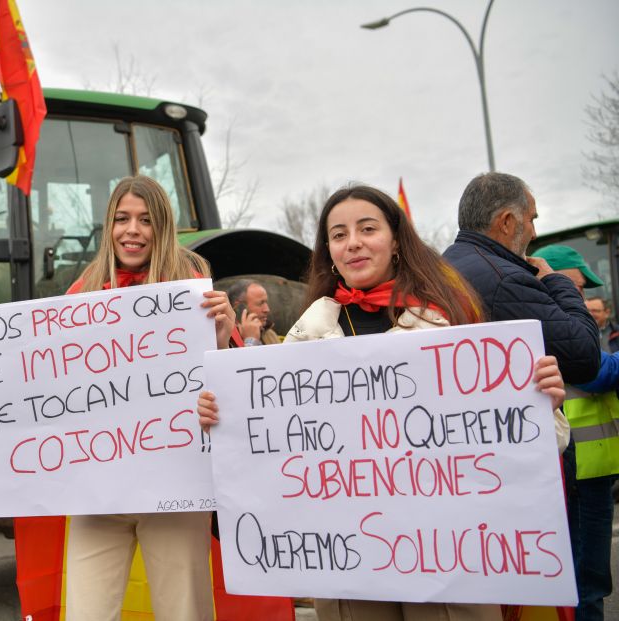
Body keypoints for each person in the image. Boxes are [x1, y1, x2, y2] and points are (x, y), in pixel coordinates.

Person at [199, 184, 569, 621]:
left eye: (367, 228)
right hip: (348, 561)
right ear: (329, 252)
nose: (352, 242)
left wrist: (541, 399)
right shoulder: (304, 336)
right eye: (338, 235)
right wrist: (222, 418)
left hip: (446, 557)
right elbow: (269, 453)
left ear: (396, 241)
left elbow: (535, 441)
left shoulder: (452, 320)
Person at [0, 175, 234, 621]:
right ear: (108, 226)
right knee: (85, 612)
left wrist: (221, 337)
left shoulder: (192, 284)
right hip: (98, 494)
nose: (132, 230)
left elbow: (230, 390)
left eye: (145, 220)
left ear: (162, 227)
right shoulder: (83, 293)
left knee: (185, 612)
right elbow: (41, 379)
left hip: (175, 489)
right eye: (122, 219)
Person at [443, 172, 600, 385]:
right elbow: (585, 358)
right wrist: (555, 280)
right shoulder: (506, 281)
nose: (533, 233)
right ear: (507, 222)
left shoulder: (442, 267)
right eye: (531, 219)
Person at [533, 244, 618, 621]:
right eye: (578, 287)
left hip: (591, 469)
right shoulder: (556, 326)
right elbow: (597, 373)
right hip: (578, 472)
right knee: (587, 582)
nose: (582, 297)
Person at [226, 279, 280, 345]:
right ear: (239, 308)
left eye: (266, 302)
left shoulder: (270, 334)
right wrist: (251, 340)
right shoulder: (225, 339)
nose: (267, 309)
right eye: (260, 303)